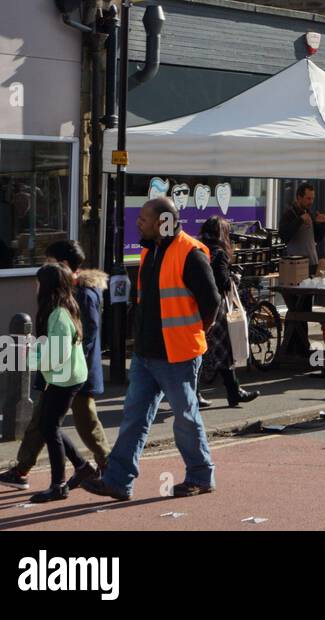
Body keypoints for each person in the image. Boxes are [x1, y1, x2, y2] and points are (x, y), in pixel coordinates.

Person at [83, 197, 221, 501]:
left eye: (143, 219)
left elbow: (212, 303)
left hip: (178, 354)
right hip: (147, 354)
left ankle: (201, 475)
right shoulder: (151, 251)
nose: (138, 223)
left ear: (163, 222)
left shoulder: (191, 254)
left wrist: (196, 332)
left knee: (185, 417)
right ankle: (118, 481)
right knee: (133, 416)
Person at [0, 241, 110, 494]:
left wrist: (41, 361)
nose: (45, 266)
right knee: (43, 424)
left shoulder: (78, 296)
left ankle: (103, 468)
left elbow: (80, 340)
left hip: (72, 375)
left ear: (62, 265)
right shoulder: (63, 298)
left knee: (80, 424)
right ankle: (25, 471)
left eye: (49, 261)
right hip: (65, 373)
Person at [20, 264, 90, 502]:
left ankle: (59, 485)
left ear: (47, 286)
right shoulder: (59, 309)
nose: (35, 286)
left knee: (49, 427)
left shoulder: (58, 314)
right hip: (66, 376)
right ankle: (81, 467)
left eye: (38, 282)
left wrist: (29, 356)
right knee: (51, 426)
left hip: (65, 379)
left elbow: (56, 356)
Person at [198, 217, 259, 407]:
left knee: (203, 351)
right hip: (216, 309)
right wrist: (236, 277)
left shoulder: (197, 249)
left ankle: (233, 391)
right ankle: (225, 393)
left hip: (196, 305)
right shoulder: (219, 253)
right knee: (221, 351)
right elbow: (224, 283)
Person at [278, 182, 325, 269]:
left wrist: (324, 224)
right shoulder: (289, 214)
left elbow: (317, 238)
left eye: (313, 199)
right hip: (295, 265)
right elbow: (284, 236)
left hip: (312, 262)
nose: (311, 202)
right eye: (308, 198)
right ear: (299, 197)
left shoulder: (310, 213)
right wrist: (300, 220)